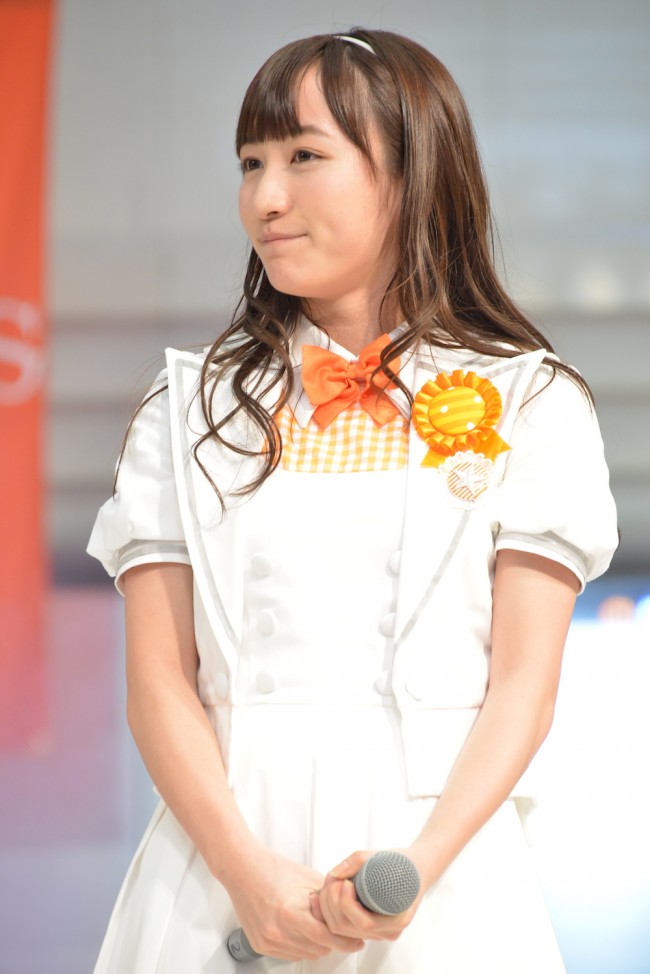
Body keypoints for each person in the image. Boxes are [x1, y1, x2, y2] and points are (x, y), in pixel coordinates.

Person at [87, 28, 618, 973]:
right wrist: (248, 875)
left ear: (413, 174)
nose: (266, 197)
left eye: (304, 156)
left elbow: (523, 689)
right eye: (251, 163)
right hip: (219, 872)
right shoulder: (187, 407)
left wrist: (414, 871)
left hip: (441, 874)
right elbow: (158, 685)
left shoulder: (530, 401)